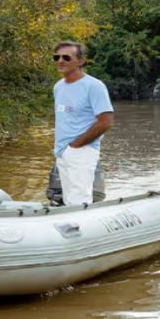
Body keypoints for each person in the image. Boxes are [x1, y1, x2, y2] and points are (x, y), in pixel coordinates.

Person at [50, 41, 113, 206]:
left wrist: (77, 145)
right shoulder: (58, 87)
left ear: (81, 61)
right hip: (61, 151)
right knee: (69, 199)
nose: (60, 61)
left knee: (79, 200)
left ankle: (83, 228)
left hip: (82, 151)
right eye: (57, 57)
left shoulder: (94, 86)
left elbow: (105, 122)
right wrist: (64, 148)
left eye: (66, 57)